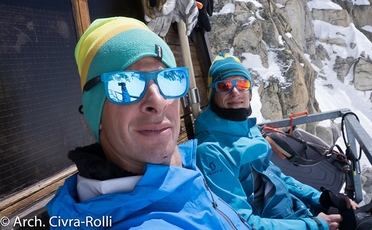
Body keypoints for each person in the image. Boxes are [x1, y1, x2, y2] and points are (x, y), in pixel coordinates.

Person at [46, 17, 254, 230]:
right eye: (125, 84)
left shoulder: (183, 165)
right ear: (95, 114)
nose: (158, 101)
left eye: (168, 79)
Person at [194, 53, 360, 230]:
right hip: (286, 222)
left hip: (295, 214)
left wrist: (319, 198)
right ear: (213, 94)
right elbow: (239, 223)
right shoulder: (211, 152)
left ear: (249, 93)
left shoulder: (246, 129)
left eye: (242, 84)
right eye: (224, 85)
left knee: (360, 217)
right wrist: (313, 226)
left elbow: (276, 177)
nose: (235, 91)